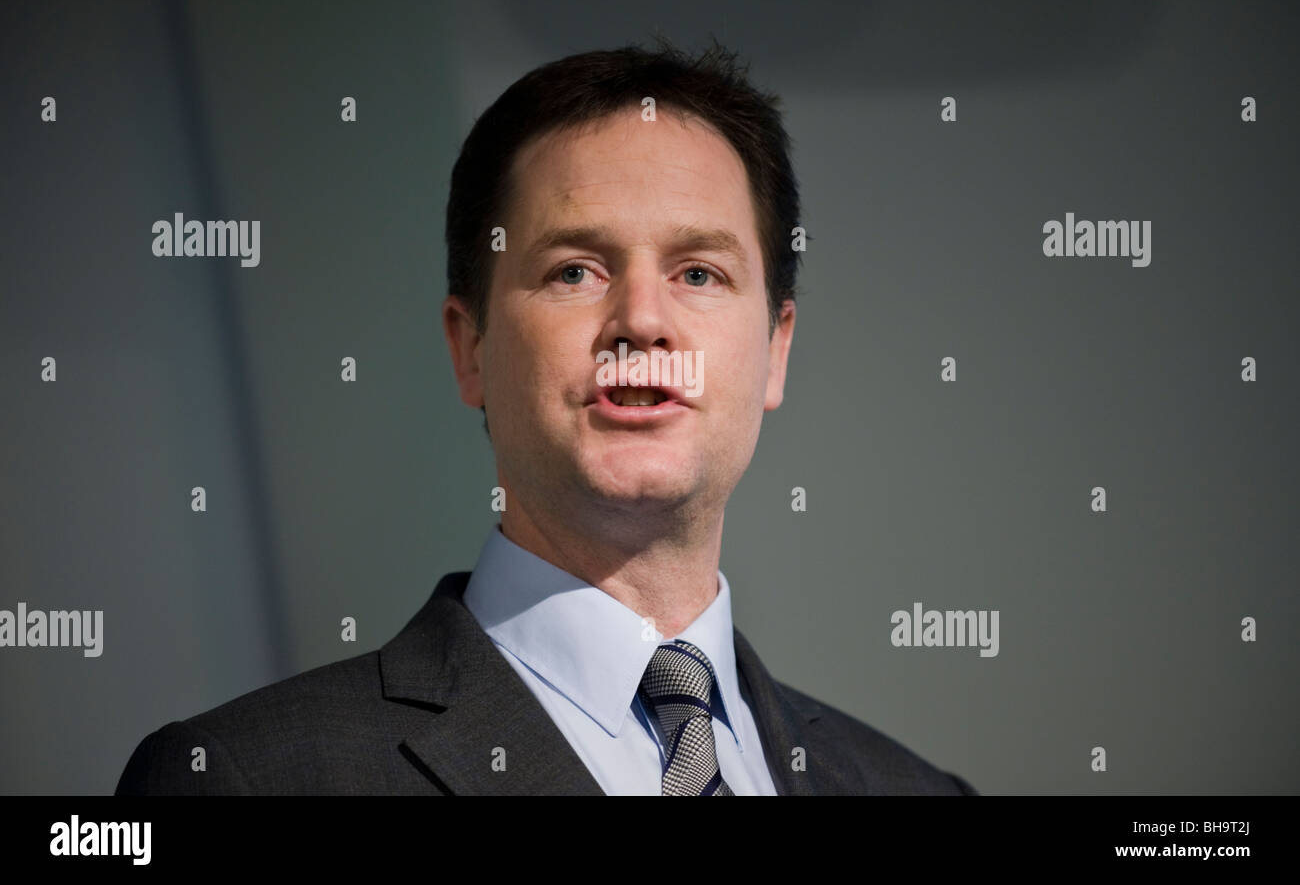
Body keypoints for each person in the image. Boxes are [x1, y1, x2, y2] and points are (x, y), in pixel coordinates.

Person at [116, 39, 976, 796]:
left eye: (699, 273)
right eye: (574, 270)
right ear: (471, 348)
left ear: (775, 351)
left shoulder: (918, 790)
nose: (642, 319)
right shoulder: (246, 779)